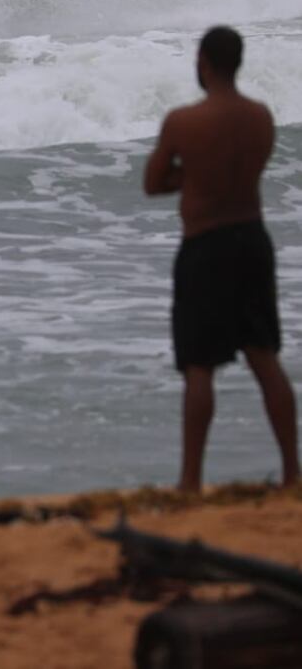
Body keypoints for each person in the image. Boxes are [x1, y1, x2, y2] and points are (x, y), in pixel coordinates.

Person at [144, 25, 300, 492]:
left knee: (199, 366)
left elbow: (153, 183)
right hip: (252, 241)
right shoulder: (260, 118)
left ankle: (190, 481)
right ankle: (294, 472)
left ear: (204, 63)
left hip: (206, 248)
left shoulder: (183, 123)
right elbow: (245, 172)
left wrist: (190, 176)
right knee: (264, 358)